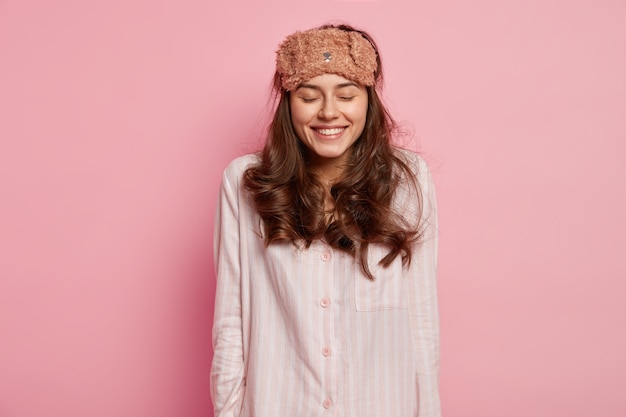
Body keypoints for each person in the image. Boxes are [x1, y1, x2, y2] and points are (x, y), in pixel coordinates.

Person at [211, 23, 440, 417]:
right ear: (289, 102)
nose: (329, 112)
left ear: (368, 101)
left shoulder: (408, 180)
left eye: (347, 95)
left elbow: (421, 321)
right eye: (309, 96)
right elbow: (231, 324)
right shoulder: (244, 183)